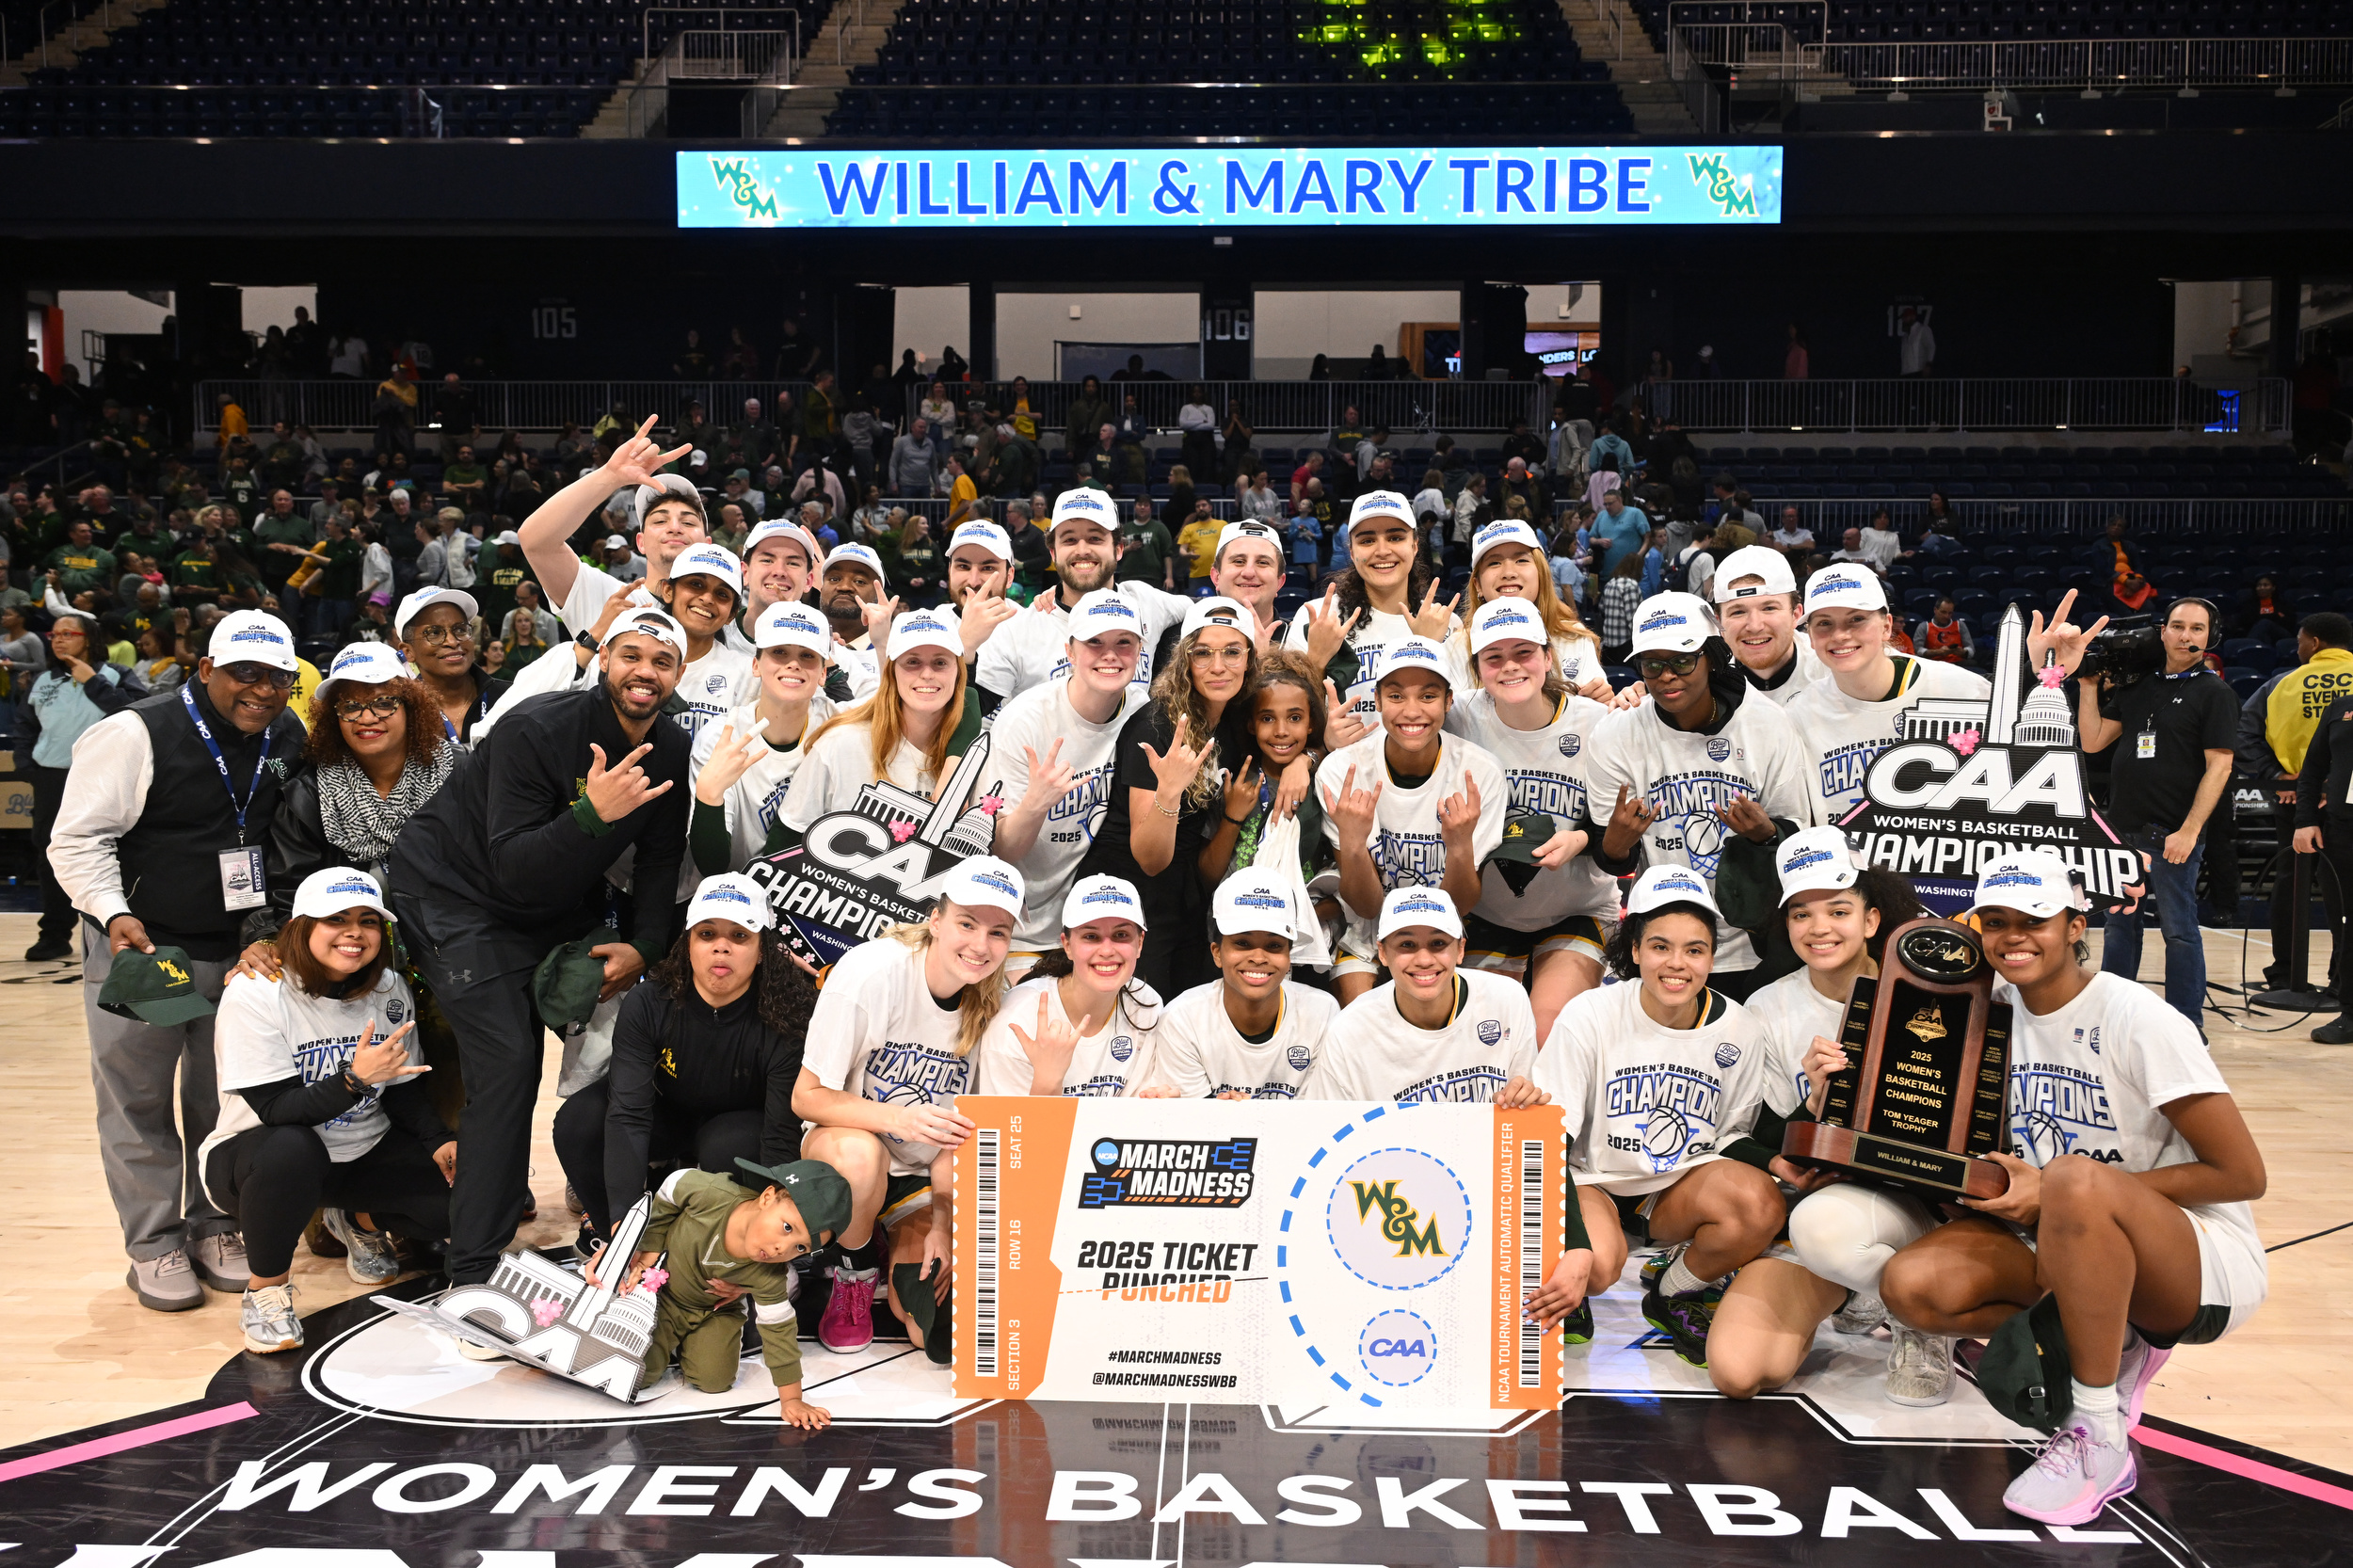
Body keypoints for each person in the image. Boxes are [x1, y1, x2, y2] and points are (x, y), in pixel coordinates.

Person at [1877, 851, 2267, 1525]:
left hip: (2199, 1264)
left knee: (2074, 1178)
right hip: (2070, 1238)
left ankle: (2099, 1433)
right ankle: (2112, 1344)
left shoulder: (2137, 1017)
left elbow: (2242, 1174)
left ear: (2076, 926)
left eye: (2035, 920)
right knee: (1912, 1287)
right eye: (1996, 921)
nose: (2014, 937)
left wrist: (2063, 1193)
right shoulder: (1991, 1013)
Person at [385, 610, 692, 1294]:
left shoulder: (671, 745)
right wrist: (592, 814)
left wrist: (644, 946)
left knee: (629, 1019)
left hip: (546, 903)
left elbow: (660, 857)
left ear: (680, 673)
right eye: (631, 655)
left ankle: (615, 1215)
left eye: (662, 661)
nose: (644, 672)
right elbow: (513, 865)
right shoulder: (535, 727)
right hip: (454, 895)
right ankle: (473, 1268)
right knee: (508, 1064)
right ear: (603, 660)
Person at [49, 608, 310, 1311]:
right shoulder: (137, 732)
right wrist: (113, 912)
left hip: (239, 951)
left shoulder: (287, 733)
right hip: (149, 948)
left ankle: (215, 1224)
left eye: (277, 678)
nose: (262, 690)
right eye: (244, 674)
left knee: (224, 1097)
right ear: (205, 669)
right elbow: (78, 839)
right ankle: (154, 1242)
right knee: (139, 1100)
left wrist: (269, 928)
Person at [1705, 829, 1938, 1400]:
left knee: (1834, 1231)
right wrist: (1811, 1105)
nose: (1819, 928)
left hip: (1922, 1202)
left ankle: (1918, 1316)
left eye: (1838, 910)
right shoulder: (1767, 1006)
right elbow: (1760, 1135)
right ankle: (1861, 1286)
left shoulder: (1931, 995)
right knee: (1739, 1371)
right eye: (1801, 914)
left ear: (1871, 920)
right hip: (1820, 1211)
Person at [1525, 866, 1782, 1366]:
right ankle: (1574, 1271)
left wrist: (1776, 1163)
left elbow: (1731, 1136)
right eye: (1661, 946)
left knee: (1757, 1203)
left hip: (1673, 1189)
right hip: (1593, 1181)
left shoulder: (1740, 1028)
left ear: (1712, 956)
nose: (1677, 964)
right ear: (1636, 950)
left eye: (1695, 950)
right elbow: (1549, 1137)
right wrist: (1574, 1247)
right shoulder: (1591, 1013)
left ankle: (1673, 1291)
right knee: (1598, 1266)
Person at [198, 868, 454, 1353]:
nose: (354, 932)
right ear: (301, 927)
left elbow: (399, 1086)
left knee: (480, 1201)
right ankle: (266, 1292)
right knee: (292, 1148)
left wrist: (438, 1140)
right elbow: (275, 1109)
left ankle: (358, 1220)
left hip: (361, 1151)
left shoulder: (389, 988)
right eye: (336, 919)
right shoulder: (256, 990)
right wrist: (354, 1080)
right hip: (260, 1159)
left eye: (368, 921)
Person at [792, 857, 1024, 1353]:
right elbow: (806, 1097)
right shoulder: (872, 972)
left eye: (998, 932)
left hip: (920, 1172)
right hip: (847, 1149)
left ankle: (884, 1235)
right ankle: (855, 1271)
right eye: (967, 923)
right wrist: (902, 1118)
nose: (980, 945)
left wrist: (943, 1223)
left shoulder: (994, 1003)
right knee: (862, 1157)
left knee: (927, 1331)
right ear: (936, 919)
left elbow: (959, 1135)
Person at [554, 872, 814, 1249]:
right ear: (688, 943)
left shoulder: (788, 1015)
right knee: (579, 1122)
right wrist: (624, 1221)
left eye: (739, 935)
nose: (721, 947)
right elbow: (628, 1114)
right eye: (707, 934)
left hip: (741, 1126)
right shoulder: (649, 1002)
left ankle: (714, 1246)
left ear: (762, 950)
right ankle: (613, 1237)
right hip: (667, 1113)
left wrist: (762, 1233)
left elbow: (780, 1134)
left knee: (726, 1145)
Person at [1578, 592, 1812, 999]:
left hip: (1754, 940)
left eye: (1682, 661)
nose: (1667, 676)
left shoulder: (1769, 725)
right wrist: (1616, 842)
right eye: (1652, 664)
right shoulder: (1616, 734)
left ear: (1712, 657)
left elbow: (1796, 838)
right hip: (1665, 941)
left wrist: (1766, 833)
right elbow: (1612, 857)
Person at [2033, 596, 2233, 1030]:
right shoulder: (2139, 684)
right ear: (2163, 631)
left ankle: (2186, 1025)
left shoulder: (2213, 691)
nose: (2185, 635)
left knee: (2180, 931)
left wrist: (2190, 830)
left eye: (2197, 628)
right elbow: (2092, 741)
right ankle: (2113, 1018)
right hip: (2123, 831)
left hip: (2173, 832)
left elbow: (2220, 766)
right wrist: (2088, 687)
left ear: (2210, 637)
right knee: (2120, 927)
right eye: (2178, 626)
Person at [1075, 597, 1288, 998]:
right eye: (1203, 653)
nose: (1218, 666)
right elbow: (1150, 860)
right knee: (1147, 1011)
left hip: (1190, 891)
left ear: (1249, 659)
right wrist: (1170, 792)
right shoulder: (1156, 727)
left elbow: (1291, 735)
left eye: (1232, 652)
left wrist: (1304, 763)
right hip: (1129, 892)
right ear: (1185, 661)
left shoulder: (1234, 719)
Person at [1446, 598, 1613, 1043]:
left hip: (1577, 909)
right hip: (1487, 912)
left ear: (1548, 657)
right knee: (1489, 1042)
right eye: (1493, 657)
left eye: (1524, 652)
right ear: (1476, 668)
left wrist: (1580, 839)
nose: (1510, 666)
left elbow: (1619, 824)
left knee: (1546, 1031)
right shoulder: (1458, 717)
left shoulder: (1597, 722)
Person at [585, 1154, 843, 1426]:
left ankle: (697, 1341)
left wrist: (792, 1400)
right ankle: (667, 1342)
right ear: (767, 1197)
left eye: (800, 1247)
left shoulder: (771, 1274)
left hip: (715, 1310)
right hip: (663, 1298)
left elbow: (780, 1331)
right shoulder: (713, 1194)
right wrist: (650, 1246)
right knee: (638, 1375)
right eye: (787, 1227)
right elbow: (674, 1184)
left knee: (715, 1380)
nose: (783, 1248)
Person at [1315, 637, 1506, 1003]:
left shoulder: (1480, 773)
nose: (1412, 711)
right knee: (1361, 1020)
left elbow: (1460, 904)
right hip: (1368, 931)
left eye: (1428, 696)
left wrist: (1460, 847)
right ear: (1378, 699)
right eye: (1396, 696)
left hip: (1445, 930)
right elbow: (1367, 907)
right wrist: (1352, 844)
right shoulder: (1341, 771)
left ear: (1449, 701)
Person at [974, 590, 1149, 973]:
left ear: (1140, 651)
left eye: (1124, 642)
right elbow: (1001, 849)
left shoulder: (1142, 711)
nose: (1110, 655)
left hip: (1090, 924)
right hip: (1016, 924)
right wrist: (1035, 805)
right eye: (1094, 642)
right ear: (1069, 652)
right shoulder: (1025, 720)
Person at [237, 643, 456, 943]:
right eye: (350, 707)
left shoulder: (459, 772)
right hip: (351, 949)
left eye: (383, 703)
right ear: (334, 718)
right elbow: (290, 898)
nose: (366, 718)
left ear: (411, 706)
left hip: (458, 939)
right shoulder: (308, 795)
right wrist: (266, 939)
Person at [1784, 564, 1992, 825]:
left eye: (1856, 619)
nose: (1840, 635)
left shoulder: (1963, 691)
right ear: (1811, 638)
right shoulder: (1799, 715)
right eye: (1824, 623)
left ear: (1886, 626)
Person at [1301, 887, 1545, 1104]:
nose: (1425, 960)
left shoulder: (1507, 999)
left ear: (1460, 949)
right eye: (1407, 945)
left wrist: (1523, 1098)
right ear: (1382, 952)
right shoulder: (1350, 1030)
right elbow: (1328, 1127)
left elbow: (1526, 1103)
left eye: (1438, 943)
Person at [973, 488, 1190, 707]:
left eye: (1095, 538)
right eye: (1070, 540)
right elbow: (972, 710)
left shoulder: (1145, 601)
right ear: (1053, 553)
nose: (1082, 550)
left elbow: (1202, 610)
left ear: (1118, 549)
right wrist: (967, 645)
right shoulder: (1019, 631)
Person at [1283, 491, 1459, 744]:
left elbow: (1460, 720)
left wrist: (1428, 647)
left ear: (1415, 545)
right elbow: (1286, 714)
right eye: (1367, 540)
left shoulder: (1446, 624)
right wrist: (1316, 663)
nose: (1382, 551)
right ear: (1351, 551)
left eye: (1395, 537)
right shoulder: (1319, 617)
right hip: (1339, 764)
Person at [975, 874, 1173, 1096]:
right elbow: (1007, 1118)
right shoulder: (1017, 1018)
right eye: (1091, 936)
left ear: (1140, 943)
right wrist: (1047, 1082)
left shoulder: (1146, 1004)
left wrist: (1160, 1104)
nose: (1107, 951)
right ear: (1067, 945)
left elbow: (1138, 1107)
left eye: (1121, 935)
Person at [778, 605, 967, 837]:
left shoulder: (973, 750)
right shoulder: (840, 743)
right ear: (891, 671)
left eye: (940, 663)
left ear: (958, 672)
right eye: (912, 662)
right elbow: (787, 839)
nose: (927, 674)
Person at [20, 610, 142, 962]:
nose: (58, 640)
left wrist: (93, 682)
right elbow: (26, 726)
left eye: (67, 634)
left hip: (105, 776)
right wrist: (28, 766)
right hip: (52, 777)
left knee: (111, 851)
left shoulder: (115, 675)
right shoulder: (43, 679)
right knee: (51, 854)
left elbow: (137, 713)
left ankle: (118, 925)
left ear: (88, 638)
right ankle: (54, 934)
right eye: (54, 635)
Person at [521, 417, 709, 640]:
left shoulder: (727, 614)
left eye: (688, 522)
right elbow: (536, 542)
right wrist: (610, 476)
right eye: (660, 521)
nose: (675, 527)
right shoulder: (608, 597)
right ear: (640, 542)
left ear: (708, 545)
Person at [1155, 872, 1339, 1098]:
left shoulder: (1323, 1012)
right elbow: (1194, 1118)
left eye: (1274, 945)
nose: (1258, 958)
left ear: (1289, 956)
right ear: (1217, 953)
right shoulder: (1182, 1019)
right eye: (1243, 943)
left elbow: (1322, 1112)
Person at [690, 601, 837, 875]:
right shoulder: (722, 737)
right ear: (756, 665)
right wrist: (709, 795)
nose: (793, 664)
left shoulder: (838, 725)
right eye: (779, 652)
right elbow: (711, 866)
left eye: (807, 655)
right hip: (737, 888)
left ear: (823, 673)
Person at [1452, 520, 1608, 699]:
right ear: (1477, 585)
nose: (1509, 573)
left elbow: (1596, 709)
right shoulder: (1456, 647)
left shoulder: (1575, 638)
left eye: (1521, 560)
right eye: (1494, 563)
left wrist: (1605, 701)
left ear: (1541, 574)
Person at [1706, 546, 1827, 706]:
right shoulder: (1707, 683)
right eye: (1738, 612)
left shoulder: (1828, 669)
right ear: (1719, 623)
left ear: (1796, 615)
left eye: (1769, 608)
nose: (1755, 626)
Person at [392, 586, 509, 746]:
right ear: (408, 652)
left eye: (460, 629)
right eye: (434, 633)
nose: (453, 642)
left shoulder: (510, 698)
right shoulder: (398, 712)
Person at [1916, 595, 1976, 664]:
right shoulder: (1925, 626)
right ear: (1935, 610)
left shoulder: (1960, 625)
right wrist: (1937, 652)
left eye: (1950, 613)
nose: (1947, 616)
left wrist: (1963, 652)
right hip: (1934, 664)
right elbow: (1918, 650)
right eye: (1943, 612)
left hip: (1957, 663)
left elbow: (1971, 649)